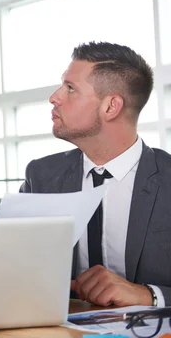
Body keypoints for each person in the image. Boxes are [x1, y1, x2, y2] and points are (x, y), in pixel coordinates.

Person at [20, 41, 171, 307]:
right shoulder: (41, 176)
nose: (54, 97)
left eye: (70, 89)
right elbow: (11, 267)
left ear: (111, 107)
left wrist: (147, 295)